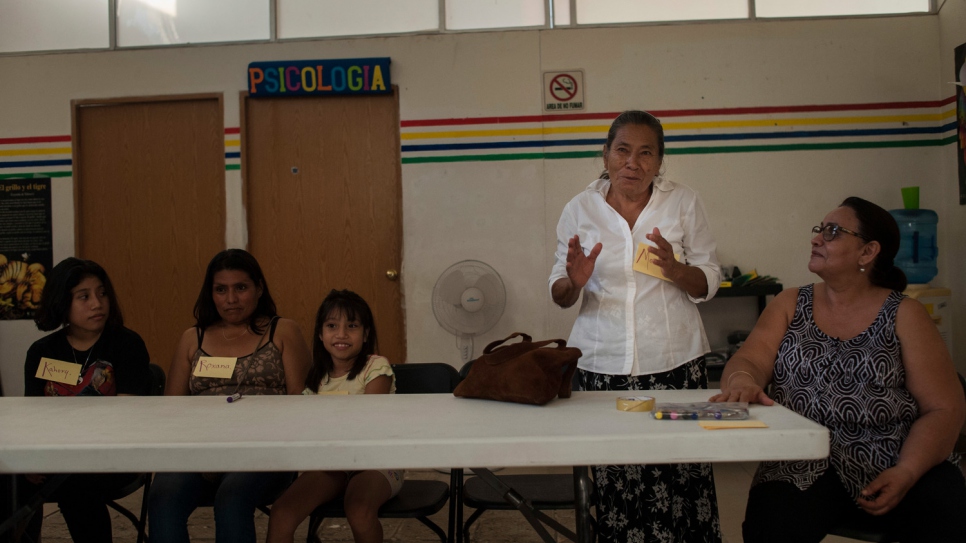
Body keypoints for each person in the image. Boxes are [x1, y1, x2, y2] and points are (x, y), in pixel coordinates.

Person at [711, 197, 966, 543]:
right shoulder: (790, 303)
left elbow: (944, 408)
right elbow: (750, 360)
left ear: (868, 252)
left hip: (897, 454)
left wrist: (907, 471)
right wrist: (743, 380)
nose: (816, 239)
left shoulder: (905, 314)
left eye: (832, 232)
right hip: (805, 460)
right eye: (819, 230)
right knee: (772, 522)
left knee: (943, 512)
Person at [549, 110, 722, 542]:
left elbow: (709, 280)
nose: (634, 162)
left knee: (680, 475)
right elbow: (559, 292)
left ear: (660, 161)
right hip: (601, 362)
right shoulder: (579, 208)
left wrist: (676, 270)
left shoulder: (683, 202)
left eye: (647, 153)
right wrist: (574, 281)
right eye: (623, 150)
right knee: (613, 481)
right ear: (605, 155)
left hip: (675, 362)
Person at [148, 249, 311, 543]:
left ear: (259, 289)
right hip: (199, 449)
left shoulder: (282, 331)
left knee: (232, 497)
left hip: (265, 450)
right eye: (221, 290)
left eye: (241, 288)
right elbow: (171, 409)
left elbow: (302, 403)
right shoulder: (192, 338)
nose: (231, 299)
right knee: (162, 497)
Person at [21, 257, 151, 543]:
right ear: (61, 302)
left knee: (74, 483)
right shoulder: (42, 351)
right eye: (84, 296)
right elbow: (33, 417)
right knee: (9, 480)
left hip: (112, 454)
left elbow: (128, 417)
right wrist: (28, 458)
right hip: (55, 454)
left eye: (102, 293)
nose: (97, 303)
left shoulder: (127, 344)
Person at [266, 289, 402, 543]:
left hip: (376, 463)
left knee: (360, 511)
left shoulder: (376, 367)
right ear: (320, 334)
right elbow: (305, 426)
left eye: (352, 325)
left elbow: (371, 420)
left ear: (366, 333)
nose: (341, 334)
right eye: (331, 326)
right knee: (282, 512)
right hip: (330, 463)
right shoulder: (316, 378)